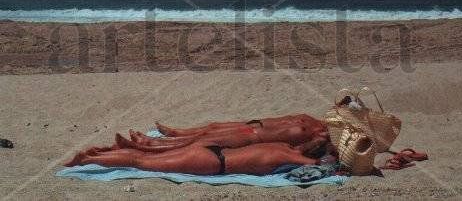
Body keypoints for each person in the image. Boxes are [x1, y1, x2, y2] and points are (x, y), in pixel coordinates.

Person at [65, 137, 328, 176]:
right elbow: (317, 164)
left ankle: (97, 153)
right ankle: (86, 161)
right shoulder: (290, 157)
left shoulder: (282, 145)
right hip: (212, 163)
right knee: (140, 163)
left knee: (143, 155)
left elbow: (311, 151)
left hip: (212, 150)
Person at [121, 114, 328, 153]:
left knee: (204, 141)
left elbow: (309, 151)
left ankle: (148, 145)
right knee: (211, 128)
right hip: (249, 125)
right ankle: (176, 133)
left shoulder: (322, 137)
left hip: (251, 137)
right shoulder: (312, 119)